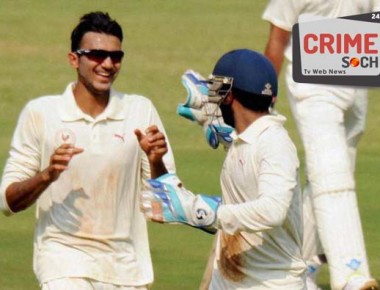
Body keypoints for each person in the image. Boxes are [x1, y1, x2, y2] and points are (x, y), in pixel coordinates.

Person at [0, 11, 175, 290]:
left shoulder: (140, 110)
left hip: (125, 269)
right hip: (62, 263)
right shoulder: (41, 113)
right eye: (96, 55)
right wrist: (46, 176)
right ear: (74, 59)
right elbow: (7, 202)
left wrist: (156, 162)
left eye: (116, 57)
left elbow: (165, 208)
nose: (107, 64)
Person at [139, 49, 307, 289]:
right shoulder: (245, 139)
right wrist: (210, 118)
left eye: (215, 92)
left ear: (228, 97)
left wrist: (200, 210)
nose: (211, 99)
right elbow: (239, 142)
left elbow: (273, 210)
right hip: (230, 280)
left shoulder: (275, 144)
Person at [262, 1, 379, 290]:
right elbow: (277, 38)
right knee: (331, 173)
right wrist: (262, 101)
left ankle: (299, 265)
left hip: (356, 71)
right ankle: (352, 275)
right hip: (312, 79)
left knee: (333, 174)